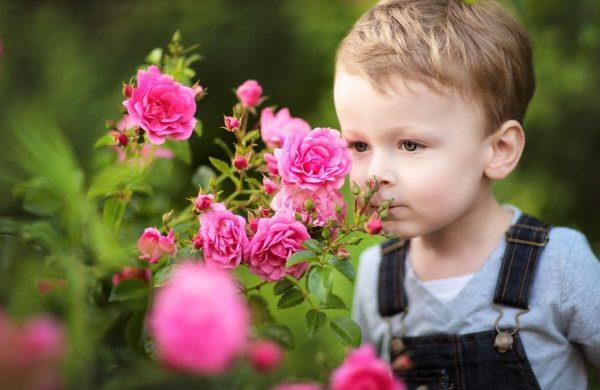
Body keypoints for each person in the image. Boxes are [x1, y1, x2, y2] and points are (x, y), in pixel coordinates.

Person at [332, 0, 600, 389]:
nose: (375, 176)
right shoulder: (377, 276)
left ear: (499, 150)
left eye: (409, 145)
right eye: (359, 146)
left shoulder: (558, 265)